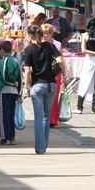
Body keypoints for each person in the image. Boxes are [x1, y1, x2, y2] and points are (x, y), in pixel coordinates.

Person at [23, 24, 62, 155]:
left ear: (30, 35)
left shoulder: (28, 50)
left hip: (37, 85)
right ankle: (44, 145)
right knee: (46, 116)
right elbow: (60, 60)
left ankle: (40, 147)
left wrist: (26, 86)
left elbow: (28, 71)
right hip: (51, 84)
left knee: (39, 117)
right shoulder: (50, 46)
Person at [0, 40, 21, 145]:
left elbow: (4, 75)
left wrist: (10, 83)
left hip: (5, 90)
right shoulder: (16, 61)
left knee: (4, 115)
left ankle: (5, 137)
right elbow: (20, 78)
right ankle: (12, 137)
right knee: (11, 115)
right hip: (15, 91)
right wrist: (19, 92)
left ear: (1, 50)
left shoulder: (1, 62)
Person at [42, 23, 62, 128]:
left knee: (54, 98)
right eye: (43, 33)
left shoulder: (57, 44)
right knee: (43, 96)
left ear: (51, 34)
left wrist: (65, 74)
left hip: (55, 73)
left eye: (46, 33)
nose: (44, 35)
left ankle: (53, 120)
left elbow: (61, 60)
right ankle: (45, 118)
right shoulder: (39, 44)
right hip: (42, 72)